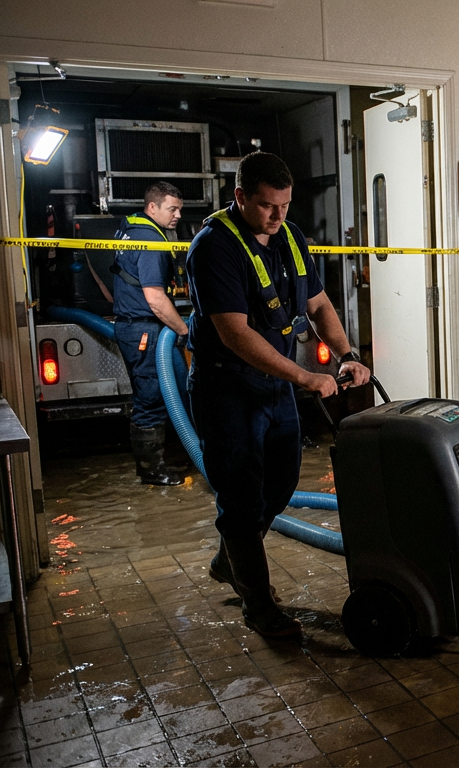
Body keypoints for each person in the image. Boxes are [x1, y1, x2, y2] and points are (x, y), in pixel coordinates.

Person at [186, 152, 369, 637]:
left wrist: (347, 353)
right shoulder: (214, 248)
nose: (278, 215)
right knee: (241, 499)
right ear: (240, 196)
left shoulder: (290, 235)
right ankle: (259, 608)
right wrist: (306, 377)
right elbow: (235, 334)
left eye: (285, 205)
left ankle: (230, 560)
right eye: (268, 205)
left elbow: (318, 303)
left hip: (275, 387)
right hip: (228, 389)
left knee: (282, 483)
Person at [112, 181, 191, 486]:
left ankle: (163, 460)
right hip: (143, 327)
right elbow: (155, 298)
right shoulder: (150, 241)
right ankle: (151, 470)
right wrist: (183, 330)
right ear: (152, 207)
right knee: (151, 397)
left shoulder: (130, 229)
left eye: (180, 210)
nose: (178, 215)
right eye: (172, 209)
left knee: (159, 393)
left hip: (133, 325)